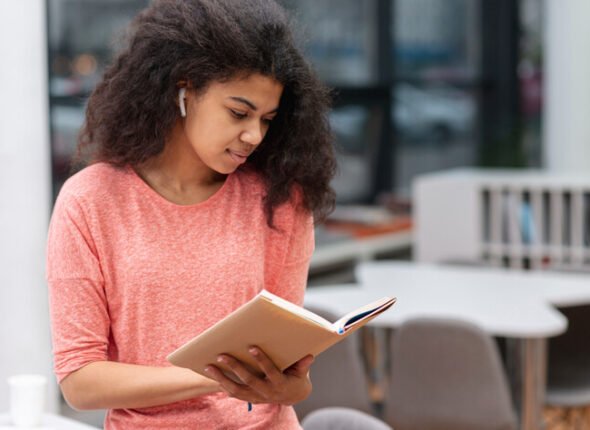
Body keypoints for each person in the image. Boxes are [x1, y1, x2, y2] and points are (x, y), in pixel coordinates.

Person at [45, 0, 336, 428]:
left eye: (267, 119)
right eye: (238, 112)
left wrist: (284, 383)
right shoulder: (91, 200)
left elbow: (295, 384)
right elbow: (80, 382)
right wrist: (216, 379)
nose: (254, 135)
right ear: (185, 89)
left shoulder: (279, 200)